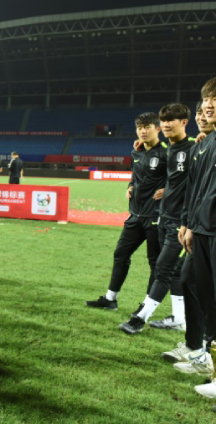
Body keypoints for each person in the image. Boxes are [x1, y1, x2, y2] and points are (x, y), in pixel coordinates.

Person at [118, 104, 194, 334]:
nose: (167, 124)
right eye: (164, 120)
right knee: (174, 271)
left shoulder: (194, 147)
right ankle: (179, 319)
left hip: (182, 221)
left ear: (184, 122)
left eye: (172, 120)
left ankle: (140, 318)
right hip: (163, 217)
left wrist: (189, 221)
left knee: (162, 268)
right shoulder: (167, 150)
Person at [87, 112, 167, 310]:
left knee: (155, 263)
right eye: (140, 128)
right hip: (136, 215)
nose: (143, 131)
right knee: (120, 254)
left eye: (147, 127)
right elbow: (135, 176)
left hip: (156, 216)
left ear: (157, 128)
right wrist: (130, 186)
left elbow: (182, 178)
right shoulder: (135, 152)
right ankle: (110, 299)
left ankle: (146, 307)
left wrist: (168, 190)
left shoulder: (167, 153)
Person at [161, 102, 216, 376]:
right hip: (198, 226)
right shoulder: (201, 146)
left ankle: (204, 352)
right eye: (201, 110)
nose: (203, 115)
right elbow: (193, 191)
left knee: (206, 290)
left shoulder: (205, 144)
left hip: (208, 228)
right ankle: (197, 349)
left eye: (209, 108)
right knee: (189, 281)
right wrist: (186, 222)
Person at [179, 78, 216, 398]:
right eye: (206, 100)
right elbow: (198, 189)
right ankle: (206, 355)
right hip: (204, 228)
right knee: (204, 294)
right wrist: (190, 223)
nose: (208, 106)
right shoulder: (206, 142)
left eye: (214, 101)